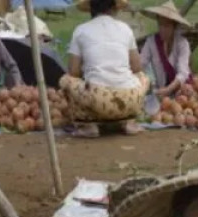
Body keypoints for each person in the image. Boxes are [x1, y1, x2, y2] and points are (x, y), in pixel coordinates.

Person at [61, 0, 149, 136]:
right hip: (130, 99)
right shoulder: (125, 28)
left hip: (98, 100)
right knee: (143, 77)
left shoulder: (81, 30)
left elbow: (73, 71)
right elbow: (137, 67)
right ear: (114, 8)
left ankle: (87, 126)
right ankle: (129, 122)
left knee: (66, 80)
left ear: (91, 9)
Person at [139, 3, 192, 98]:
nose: (162, 29)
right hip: (162, 90)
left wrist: (169, 89)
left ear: (174, 26)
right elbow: (141, 63)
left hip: (182, 89)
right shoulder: (151, 42)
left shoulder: (182, 44)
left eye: (167, 26)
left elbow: (183, 72)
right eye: (160, 25)